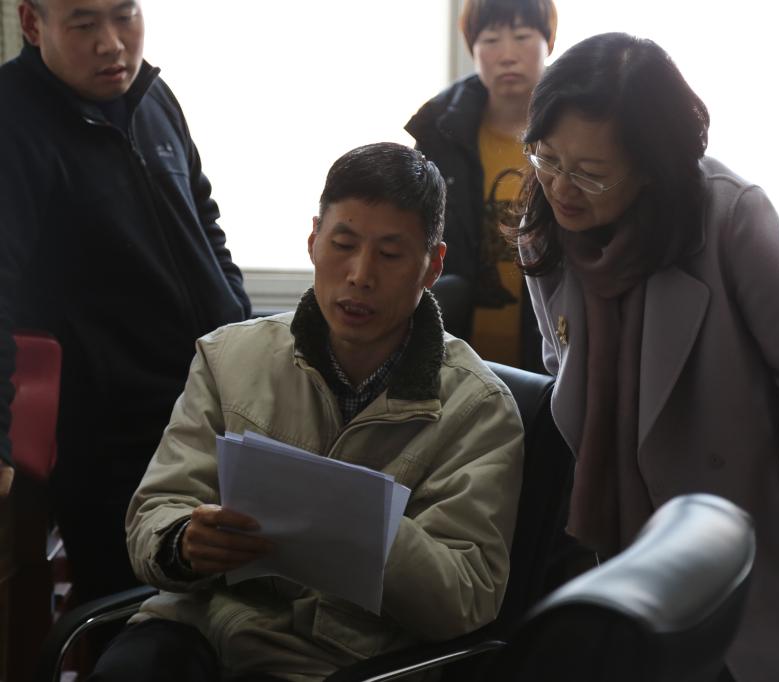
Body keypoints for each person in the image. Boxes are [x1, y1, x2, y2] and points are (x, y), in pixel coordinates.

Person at [510, 32, 779, 681]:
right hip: (650, 531)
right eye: (546, 156)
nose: (561, 187)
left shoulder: (732, 217)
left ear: (651, 166)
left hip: (774, 523)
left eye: (591, 172)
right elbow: (559, 360)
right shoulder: (546, 226)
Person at [89, 142, 525, 681]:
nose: (360, 275)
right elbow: (155, 511)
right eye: (343, 244)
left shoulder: (479, 409)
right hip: (198, 623)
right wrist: (184, 542)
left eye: (390, 255)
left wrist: (361, 524)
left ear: (433, 265)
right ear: (314, 239)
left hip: (340, 659)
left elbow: (465, 598)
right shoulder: (229, 356)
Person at [0, 0, 251, 602]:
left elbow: (203, 218)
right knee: (132, 614)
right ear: (33, 24)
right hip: (110, 435)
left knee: (230, 605)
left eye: (125, 16)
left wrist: (238, 319)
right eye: (84, 24)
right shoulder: (13, 119)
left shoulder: (152, 96)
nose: (112, 43)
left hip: (212, 403)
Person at [406, 0, 555, 370]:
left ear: (549, 42)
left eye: (522, 36)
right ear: (472, 48)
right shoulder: (439, 132)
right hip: (453, 357)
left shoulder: (574, 132)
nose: (507, 54)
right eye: (490, 39)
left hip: (551, 356)